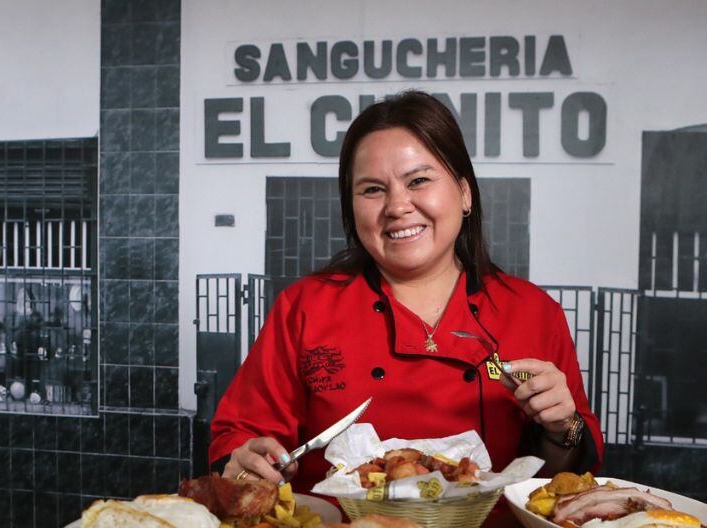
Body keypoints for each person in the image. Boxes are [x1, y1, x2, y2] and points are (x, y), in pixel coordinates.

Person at [209, 90, 603, 490]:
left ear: (465, 193)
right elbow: (240, 436)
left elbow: (562, 476)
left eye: (418, 180)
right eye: (372, 189)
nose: (397, 206)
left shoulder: (533, 311)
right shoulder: (305, 307)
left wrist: (562, 427)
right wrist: (246, 461)